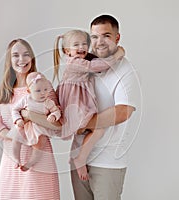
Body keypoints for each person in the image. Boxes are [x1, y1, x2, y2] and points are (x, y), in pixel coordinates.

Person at [70, 14, 140, 200]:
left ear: (117, 37)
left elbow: (123, 111)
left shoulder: (125, 70)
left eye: (106, 36)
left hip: (107, 162)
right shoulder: (86, 64)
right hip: (78, 160)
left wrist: (84, 124)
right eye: (94, 37)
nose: (99, 42)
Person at [0, 39, 60, 199]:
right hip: (12, 160)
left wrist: (29, 116)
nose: (22, 59)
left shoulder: (43, 87)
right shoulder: (5, 90)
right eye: (16, 55)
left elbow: (58, 125)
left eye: (26, 55)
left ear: (32, 58)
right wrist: (15, 134)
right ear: (9, 60)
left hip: (40, 160)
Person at [53, 29, 125, 180]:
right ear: (67, 51)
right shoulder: (76, 63)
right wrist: (117, 56)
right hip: (74, 105)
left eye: (84, 44)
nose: (81, 47)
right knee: (98, 129)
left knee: (88, 130)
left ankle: (79, 157)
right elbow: (97, 66)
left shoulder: (80, 60)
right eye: (76, 45)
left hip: (78, 103)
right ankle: (80, 159)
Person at [10, 72, 61, 171]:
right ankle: (16, 159)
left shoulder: (48, 102)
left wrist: (53, 116)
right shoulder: (26, 99)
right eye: (38, 91)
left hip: (40, 127)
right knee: (16, 139)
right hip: (26, 125)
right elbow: (14, 109)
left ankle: (30, 163)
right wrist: (18, 119)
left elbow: (56, 111)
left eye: (45, 90)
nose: (43, 93)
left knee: (40, 144)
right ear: (29, 91)